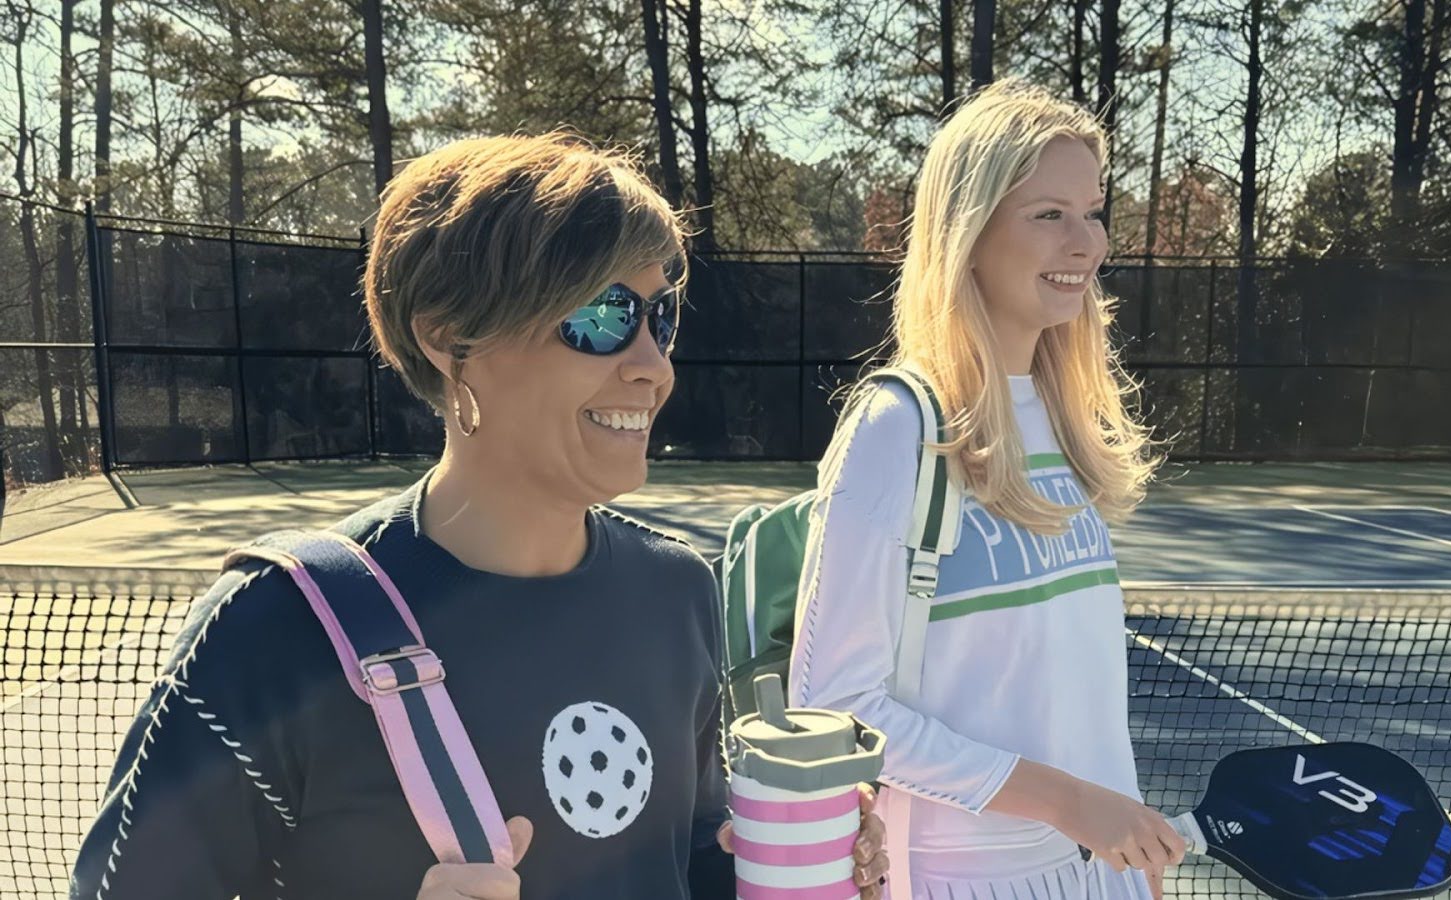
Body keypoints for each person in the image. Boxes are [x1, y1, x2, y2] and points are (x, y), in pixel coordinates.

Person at [70, 132, 888, 900]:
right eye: (602, 316)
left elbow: (684, 852)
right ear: (449, 337)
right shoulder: (273, 631)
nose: (652, 367)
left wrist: (791, 857)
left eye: (660, 317)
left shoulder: (678, 591)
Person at [788, 79, 1184, 899]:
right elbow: (836, 703)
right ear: (968, 233)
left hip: (1101, 878)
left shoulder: (1066, 425)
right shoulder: (899, 426)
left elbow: (1080, 702)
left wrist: (1128, 862)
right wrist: (1070, 804)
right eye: (1048, 215)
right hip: (964, 880)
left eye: (1093, 211)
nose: (1087, 244)